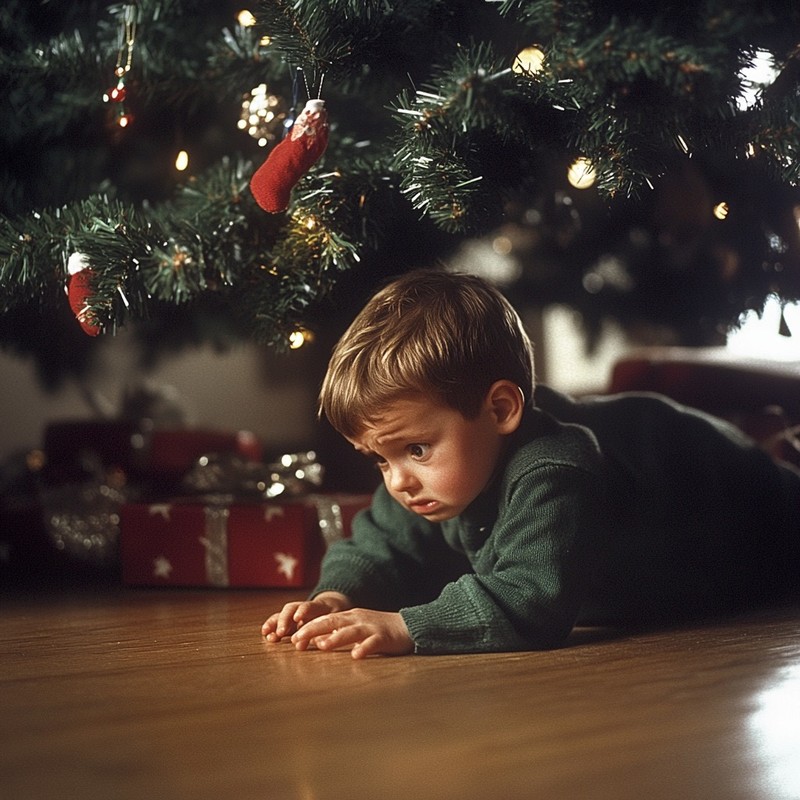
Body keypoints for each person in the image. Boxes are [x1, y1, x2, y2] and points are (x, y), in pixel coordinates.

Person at [262, 269, 800, 658]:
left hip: (731, 495)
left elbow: (529, 601)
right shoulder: (423, 478)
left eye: (416, 450)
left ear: (500, 409)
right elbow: (377, 543)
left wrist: (407, 627)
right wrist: (336, 596)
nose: (398, 479)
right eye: (379, 459)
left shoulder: (553, 470)